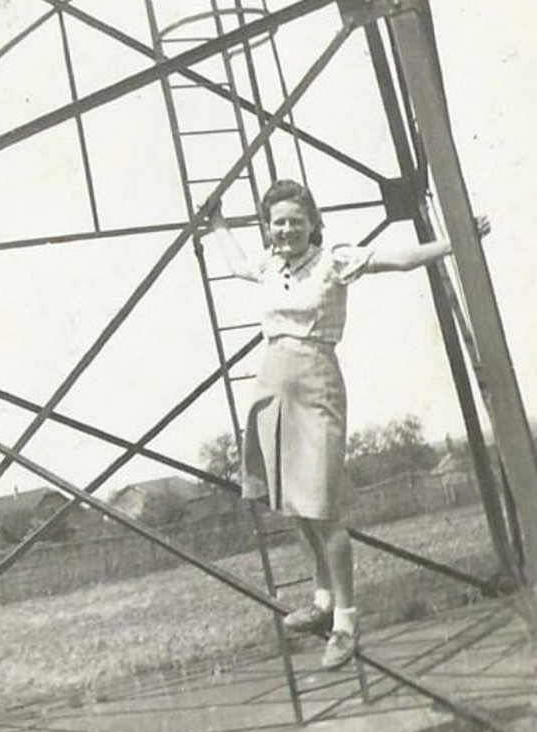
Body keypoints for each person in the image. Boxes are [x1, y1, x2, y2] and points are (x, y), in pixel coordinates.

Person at [205, 179, 489, 670]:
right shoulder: (270, 265)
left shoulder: (333, 260)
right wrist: (217, 224)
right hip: (272, 386)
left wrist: (457, 239)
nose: (288, 229)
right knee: (294, 504)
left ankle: (347, 620)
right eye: (278, 223)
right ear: (269, 230)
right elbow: (233, 265)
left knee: (324, 508)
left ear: (312, 222)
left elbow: (397, 261)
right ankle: (321, 601)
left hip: (316, 384)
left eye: (296, 220)